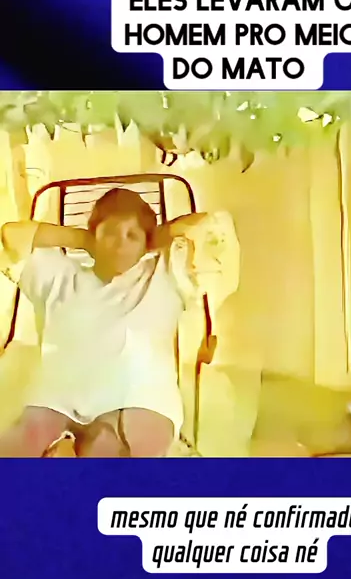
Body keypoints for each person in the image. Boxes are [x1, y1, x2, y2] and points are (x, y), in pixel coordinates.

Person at [0, 188, 210, 458]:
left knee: (108, 460)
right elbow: (12, 236)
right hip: (54, 404)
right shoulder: (59, 276)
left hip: (136, 403)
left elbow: (207, 227)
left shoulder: (164, 275)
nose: (120, 243)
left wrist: (155, 239)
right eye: (109, 233)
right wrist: (83, 239)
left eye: (132, 236)